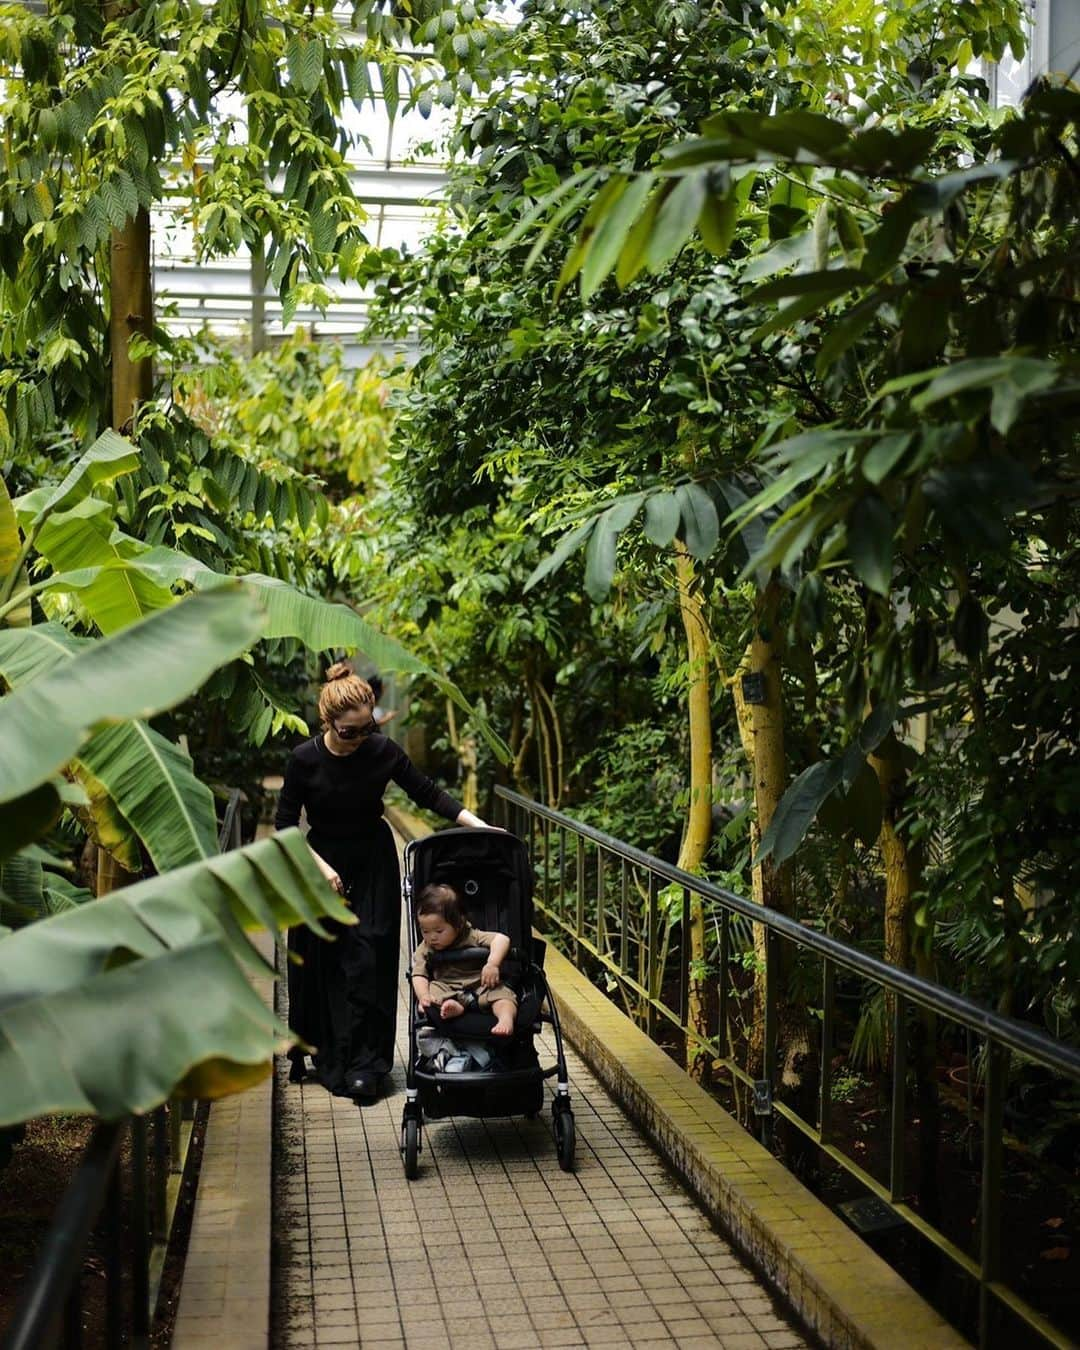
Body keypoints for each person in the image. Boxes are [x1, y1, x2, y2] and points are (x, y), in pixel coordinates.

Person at [275, 662, 490, 1102]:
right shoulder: (304, 759)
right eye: (349, 732)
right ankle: (330, 1056)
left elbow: (428, 793)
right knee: (329, 962)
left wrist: (480, 826)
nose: (359, 740)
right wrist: (321, 868)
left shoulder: (381, 751)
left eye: (366, 728)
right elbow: (283, 827)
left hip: (373, 861)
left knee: (371, 958)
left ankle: (368, 1064)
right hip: (322, 864)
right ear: (329, 722)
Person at [410, 882, 517, 1037]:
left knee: (503, 996)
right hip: (447, 987)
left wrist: (492, 964)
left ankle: (505, 1019)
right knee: (430, 1000)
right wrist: (423, 995)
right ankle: (456, 1008)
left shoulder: (471, 936)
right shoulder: (426, 947)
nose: (432, 937)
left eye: (439, 931)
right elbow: (419, 974)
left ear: (458, 924)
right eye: (425, 931)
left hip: (480, 984)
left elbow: (501, 939)